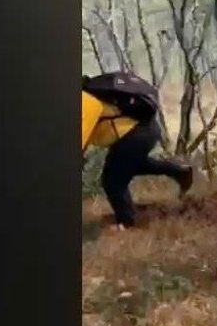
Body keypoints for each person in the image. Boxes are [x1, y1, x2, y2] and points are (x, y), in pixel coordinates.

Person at [82, 73, 193, 229]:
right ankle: (180, 171)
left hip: (136, 134)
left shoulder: (85, 101)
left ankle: (127, 223)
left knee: (113, 180)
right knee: (131, 165)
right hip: (145, 130)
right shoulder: (89, 96)